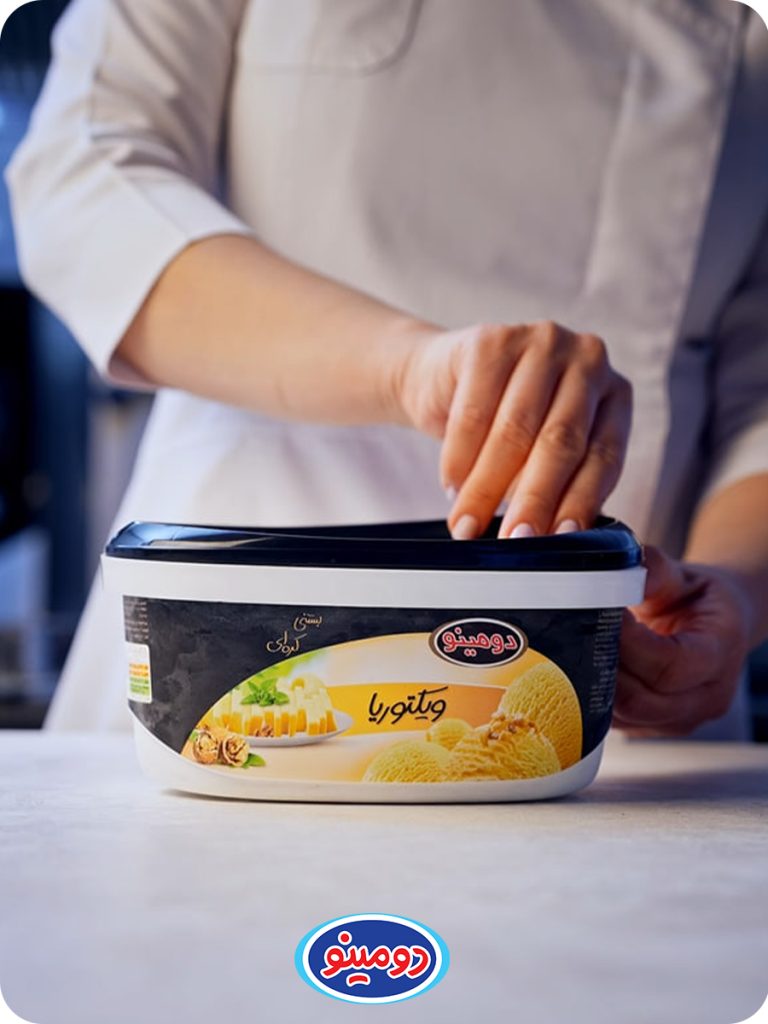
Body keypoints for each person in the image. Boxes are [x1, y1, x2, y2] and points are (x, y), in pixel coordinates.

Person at [6, 0, 768, 736]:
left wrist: (734, 590)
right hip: (228, 646)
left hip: (623, 676)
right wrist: (407, 367)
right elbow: (87, 179)